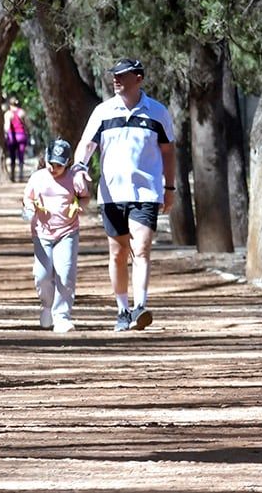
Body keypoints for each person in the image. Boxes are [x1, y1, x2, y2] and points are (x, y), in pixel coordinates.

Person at [73, 57, 176, 331]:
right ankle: (122, 309)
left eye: (123, 75)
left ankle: (140, 306)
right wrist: (79, 167)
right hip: (111, 193)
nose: (116, 79)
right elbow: (86, 144)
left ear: (139, 78)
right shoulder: (103, 112)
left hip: (145, 192)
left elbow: (168, 151)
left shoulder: (157, 112)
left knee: (140, 249)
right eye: (114, 75)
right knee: (118, 254)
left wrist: (170, 187)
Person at [22, 138, 90, 333]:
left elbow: (85, 197)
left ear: (67, 163)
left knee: (65, 273)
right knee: (42, 275)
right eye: (51, 163)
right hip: (42, 234)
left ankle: (62, 316)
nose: (54, 168)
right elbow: (28, 197)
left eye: (59, 165)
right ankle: (47, 305)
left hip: (67, 232)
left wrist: (79, 206)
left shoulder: (74, 179)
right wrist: (30, 207)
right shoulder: (38, 177)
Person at [4, 97, 30, 181]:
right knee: (21, 156)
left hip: (12, 136)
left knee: (12, 156)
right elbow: (27, 124)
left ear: (9, 104)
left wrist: (6, 134)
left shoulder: (8, 114)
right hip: (21, 135)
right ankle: (21, 175)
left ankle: (12, 175)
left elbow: (7, 127)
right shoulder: (22, 112)